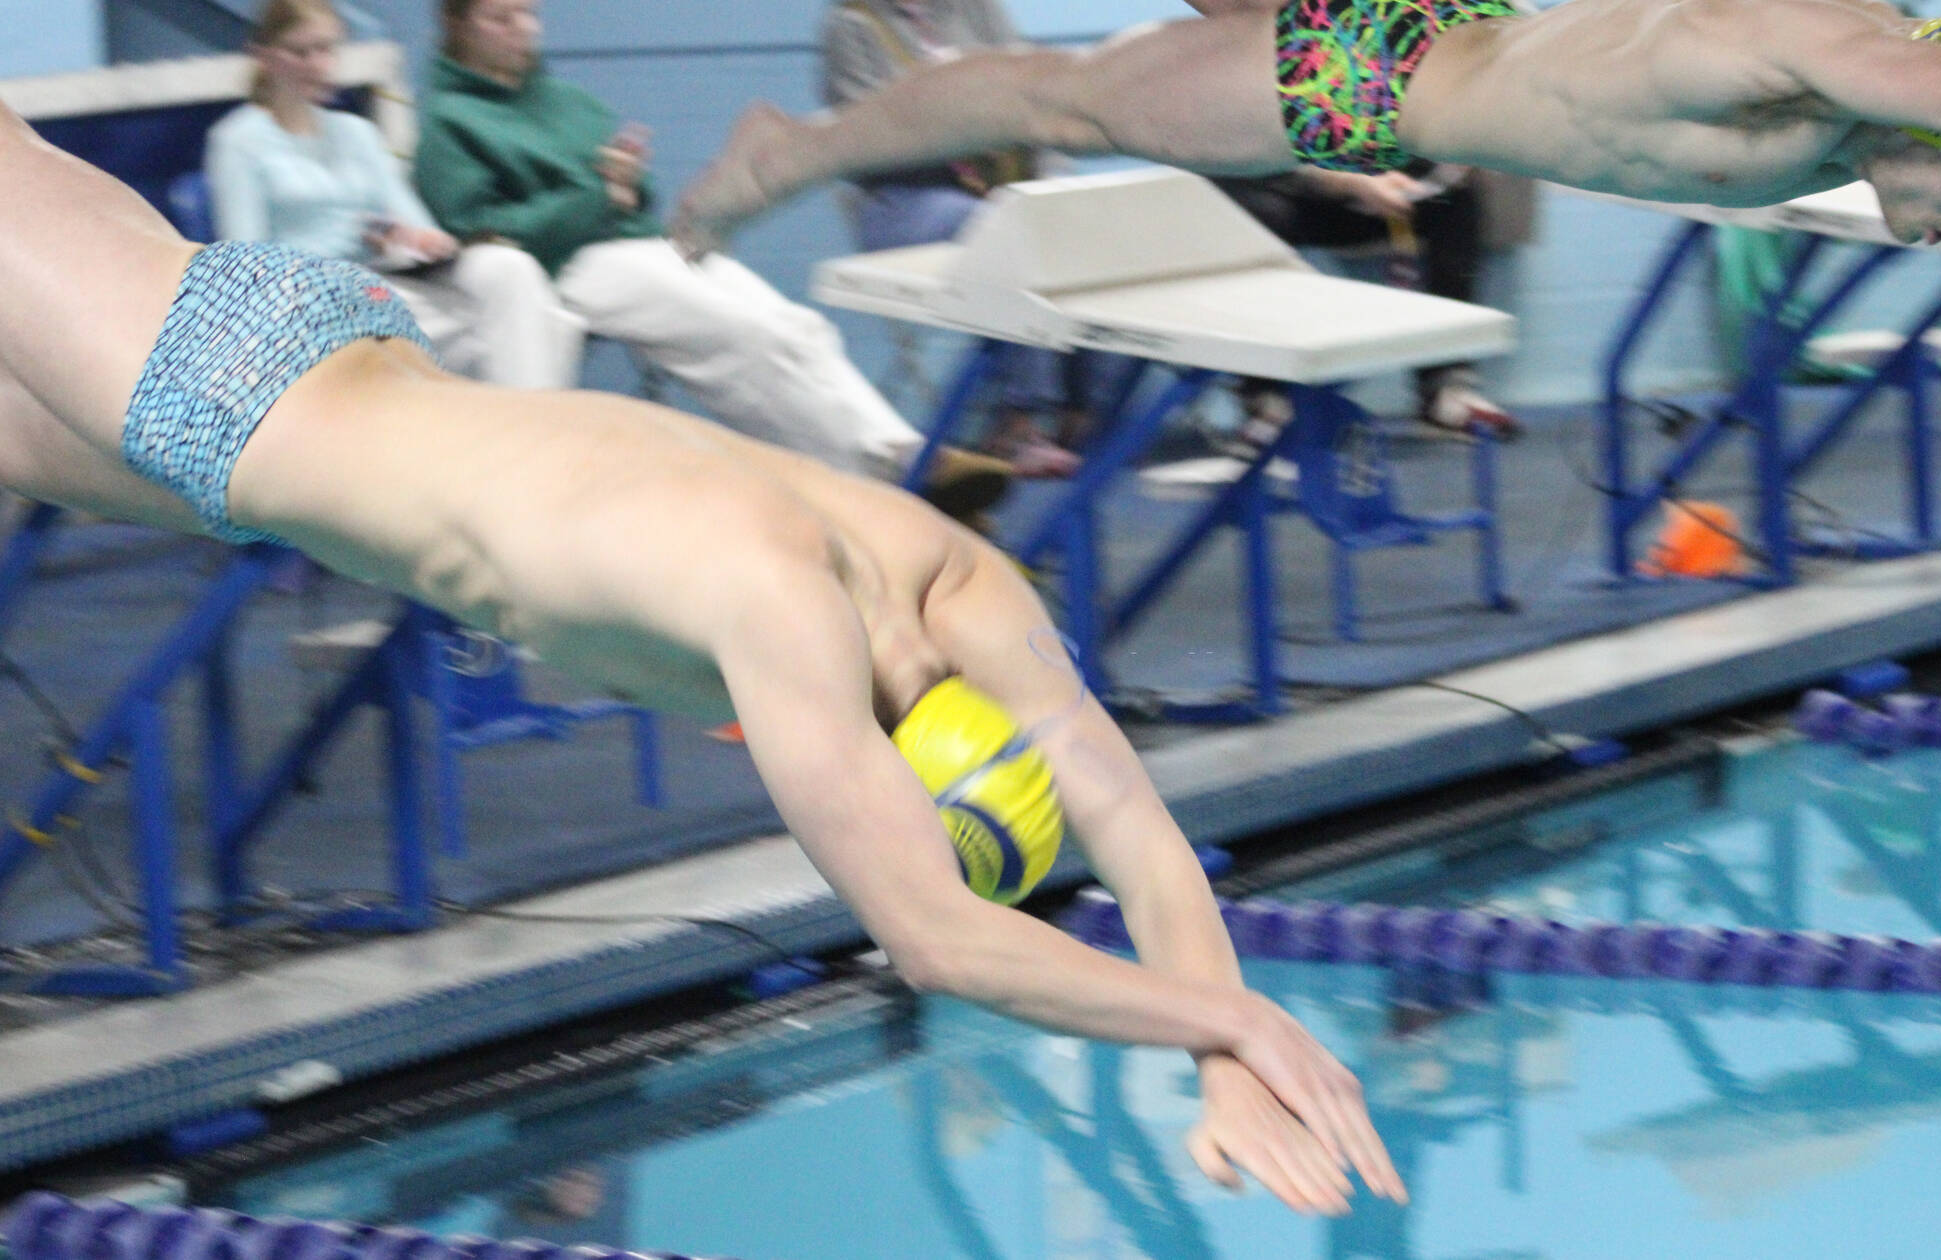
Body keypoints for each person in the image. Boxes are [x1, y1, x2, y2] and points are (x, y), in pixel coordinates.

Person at [0, 95, 1405, 1218]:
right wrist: (1230, 1026)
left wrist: (1226, 1039)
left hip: (311, 372)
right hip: (227, 398)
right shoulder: (780, 612)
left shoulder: (951, 576)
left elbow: (1131, 822)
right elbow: (936, 938)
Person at [674, 0, 1941, 254]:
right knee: (1057, 95)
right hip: (1385, 61)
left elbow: (1932, 166)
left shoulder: (1847, 123)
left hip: (1435, 44)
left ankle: (782, 155)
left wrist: (1929, 188)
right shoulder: (1804, 41)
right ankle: (779, 154)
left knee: (1070, 92)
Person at [417, 0, 1011, 523]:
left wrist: (626, 182)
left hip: (634, 242)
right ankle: (887, 480)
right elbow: (482, 234)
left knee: (795, 327)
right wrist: (598, 195)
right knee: (743, 336)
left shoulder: (564, 99)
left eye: (529, 13)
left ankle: (905, 456)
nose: (522, 29)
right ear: (457, 26)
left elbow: (633, 191)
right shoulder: (449, 122)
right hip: (564, 266)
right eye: (501, 17)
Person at [208, 0, 585, 391]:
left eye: (327, 49)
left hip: (385, 283)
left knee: (510, 268)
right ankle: (528, 431)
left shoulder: (357, 132)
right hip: (310, 302)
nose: (318, 65)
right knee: (544, 328)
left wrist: (415, 239)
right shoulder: (238, 140)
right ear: (264, 56)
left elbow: (415, 221)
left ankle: (524, 431)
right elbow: (246, 263)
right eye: (302, 52)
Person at [822, 0, 1091, 477]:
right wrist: (962, 133)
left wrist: (1052, 185)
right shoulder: (853, 23)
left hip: (1003, 186)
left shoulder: (979, 9)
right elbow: (862, 140)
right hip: (908, 198)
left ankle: (1085, 411)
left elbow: (1036, 94)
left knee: (1075, 224)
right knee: (1001, 229)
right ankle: (1020, 420)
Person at [1211, 164, 1519, 438]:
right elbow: (1272, 155)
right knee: (1247, 210)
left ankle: (1445, 388)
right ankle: (1266, 396)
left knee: (1458, 200)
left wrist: (1452, 166)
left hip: (1378, 192)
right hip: (1291, 193)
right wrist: (1353, 183)